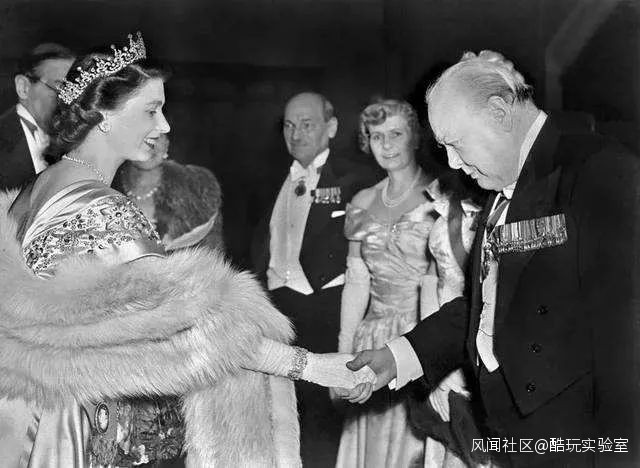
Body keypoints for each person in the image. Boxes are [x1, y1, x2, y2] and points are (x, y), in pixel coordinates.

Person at [0, 32, 375, 468]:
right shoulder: (106, 209)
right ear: (103, 115)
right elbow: (198, 332)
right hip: (79, 426)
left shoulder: (36, 188)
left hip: (24, 415)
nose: (164, 126)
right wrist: (312, 366)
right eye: (151, 110)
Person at [343, 50, 640, 467]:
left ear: (499, 112)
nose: (452, 162)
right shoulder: (501, 186)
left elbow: (626, 342)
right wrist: (399, 356)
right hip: (511, 437)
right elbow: (487, 306)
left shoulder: (599, 171)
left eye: (455, 143)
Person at [334, 99, 477, 468]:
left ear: (414, 137)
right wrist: (342, 355)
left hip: (423, 334)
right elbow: (356, 283)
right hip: (371, 338)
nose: (386, 145)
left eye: (395, 134)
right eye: (376, 136)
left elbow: (445, 282)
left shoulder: (442, 196)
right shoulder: (362, 201)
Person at [251, 91, 379, 466]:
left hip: (325, 314)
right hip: (276, 313)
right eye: (289, 126)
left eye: (307, 124)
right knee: (277, 422)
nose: (296, 134)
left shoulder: (358, 179)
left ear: (331, 127)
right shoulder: (266, 179)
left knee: (322, 426)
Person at [114, 133, 224, 252]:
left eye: (157, 136)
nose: (151, 145)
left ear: (167, 144)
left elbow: (212, 253)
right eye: (143, 134)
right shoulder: (106, 184)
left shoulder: (196, 189)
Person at [0, 42, 74, 190]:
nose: (70, 100)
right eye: (60, 87)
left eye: (76, 90)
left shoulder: (74, 140)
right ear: (23, 87)